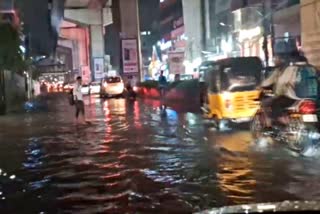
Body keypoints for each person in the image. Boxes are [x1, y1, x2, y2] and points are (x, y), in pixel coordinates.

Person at [260, 53, 300, 128]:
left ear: (282, 60)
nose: (274, 61)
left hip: (290, 96)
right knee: (267, 102)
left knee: (271, 104)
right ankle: (275, 122)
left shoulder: (290, 69)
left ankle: (281, 123)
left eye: (276, 59)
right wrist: (259, 85)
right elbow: (269, 81)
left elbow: (283, 81)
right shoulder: (278, 71)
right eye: (274, 59)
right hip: (283, 95)